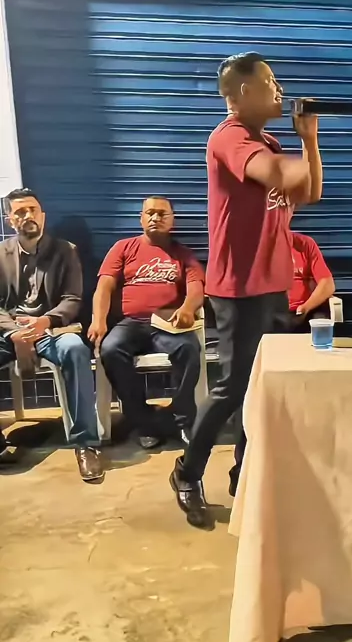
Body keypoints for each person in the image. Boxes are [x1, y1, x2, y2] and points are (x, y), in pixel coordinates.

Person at [170, 52, 323, 529]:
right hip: (238, 288)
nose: (280, 90)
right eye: (270, 81)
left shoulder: (269, 141)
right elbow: (279, 176)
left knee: (263, 386)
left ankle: (244, 476)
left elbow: (310, 192)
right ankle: (186, 472)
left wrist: (309, 139)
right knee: (232, 387)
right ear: (243, 92)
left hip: (272, 286)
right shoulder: (230, 137)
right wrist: (300, 152)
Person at [0, 188, 103, 482]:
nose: (28, 216)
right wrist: (13, 331)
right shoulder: (0, 254)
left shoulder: (66, 251)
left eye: (33, 210)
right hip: (10, 330)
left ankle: (86, 444)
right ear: (9, 220)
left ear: (43, 216)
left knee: (75, 349)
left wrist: (44, 321)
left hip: (51, 329)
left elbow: (72, 299)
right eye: (20, 212)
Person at [88, 196, 204, 448]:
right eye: (150, 213)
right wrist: (99, 320)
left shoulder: (183, 254)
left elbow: (196, 288)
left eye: (162, 214)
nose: (155, 218)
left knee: (189, 348)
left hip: (167, 324)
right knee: (110, 349)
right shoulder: (123, 247)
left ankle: (183, 420)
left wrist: (187, 308)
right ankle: (143, 422)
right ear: (141, 218)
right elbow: (104, 287)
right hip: (130, 323)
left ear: (172, 221)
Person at [287, 231, 335, 330]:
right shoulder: (259, 248)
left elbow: (327, 284)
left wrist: (306, 307)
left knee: (321, 324)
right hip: (273, 314)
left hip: (307, 310)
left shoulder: (305, 244)